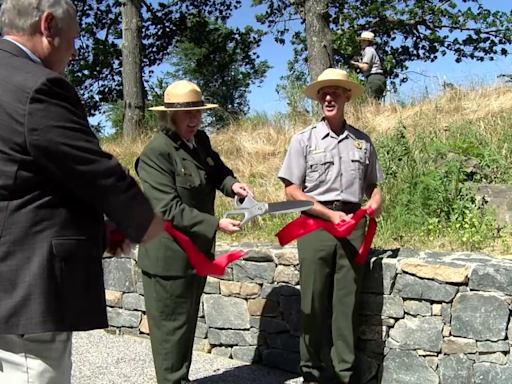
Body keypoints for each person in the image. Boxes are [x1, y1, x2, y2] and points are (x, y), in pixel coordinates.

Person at [0, 0, 165, 382]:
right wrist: (145, 222)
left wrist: (94, 227)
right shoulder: (37, 87)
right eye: (73, 39)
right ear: (48, 25)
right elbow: (91, 168)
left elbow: (28, 175)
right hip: (26, 285)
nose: (74, 52)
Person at [135, 79, 254, 384]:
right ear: (168, 117)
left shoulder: (199, 140)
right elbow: (169, 209)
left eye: (198, 112)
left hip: (195, 255)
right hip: (168, 260)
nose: (195, 119)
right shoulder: (156, 154)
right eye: (187, 114)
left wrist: (233, 186)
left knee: (185, 328)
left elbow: (217, 171)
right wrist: (217, 224)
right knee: (170, 334)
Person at [277, 68, 384, 384]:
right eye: (323, 93)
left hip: (351, 227)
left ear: (346, 97)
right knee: (313, 302)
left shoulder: (362, 143)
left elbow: (373, 185)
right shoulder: (304, 140)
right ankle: (312, 373)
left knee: (346, 304)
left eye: (335, 92)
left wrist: (376, 202)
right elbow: (291, 190)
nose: (328, 98)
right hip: (315, 227)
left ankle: (344, 374)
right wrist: (326, 213)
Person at [351, 31, 387, 101]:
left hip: (373, 78)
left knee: (368, 102)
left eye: (362, 41)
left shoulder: (368, 50)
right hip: (381, 78)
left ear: (367, 41)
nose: (361, 43)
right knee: (376, 103)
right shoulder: (374, 51)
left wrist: (356, 64)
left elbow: (365, 67)